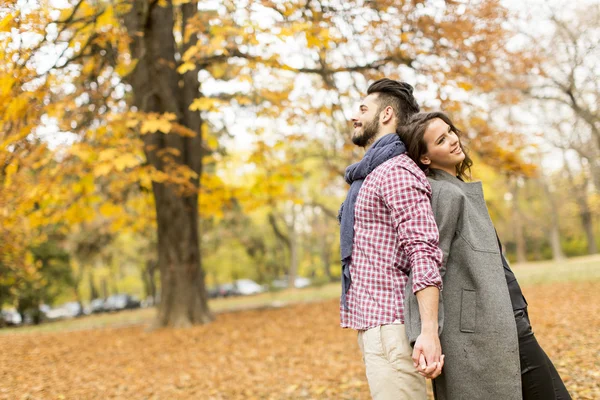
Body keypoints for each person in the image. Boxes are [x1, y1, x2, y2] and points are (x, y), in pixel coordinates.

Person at [401, 111, 571, 400]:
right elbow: (428, 262)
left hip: (508, 317)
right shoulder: (443, 194)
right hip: (490, 326)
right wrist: (424, 334)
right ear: (425, 158)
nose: (454, 140)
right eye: (441, 140)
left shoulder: (460, 190)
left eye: (450, 131)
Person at [338, 79, 445, 400]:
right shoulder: (370, 174)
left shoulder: (396, 170)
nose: (354, 117)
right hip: (375, 325)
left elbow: (423, 250)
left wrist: (428, 331)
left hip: (392, 325)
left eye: (362, 109)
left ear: (386, 114)